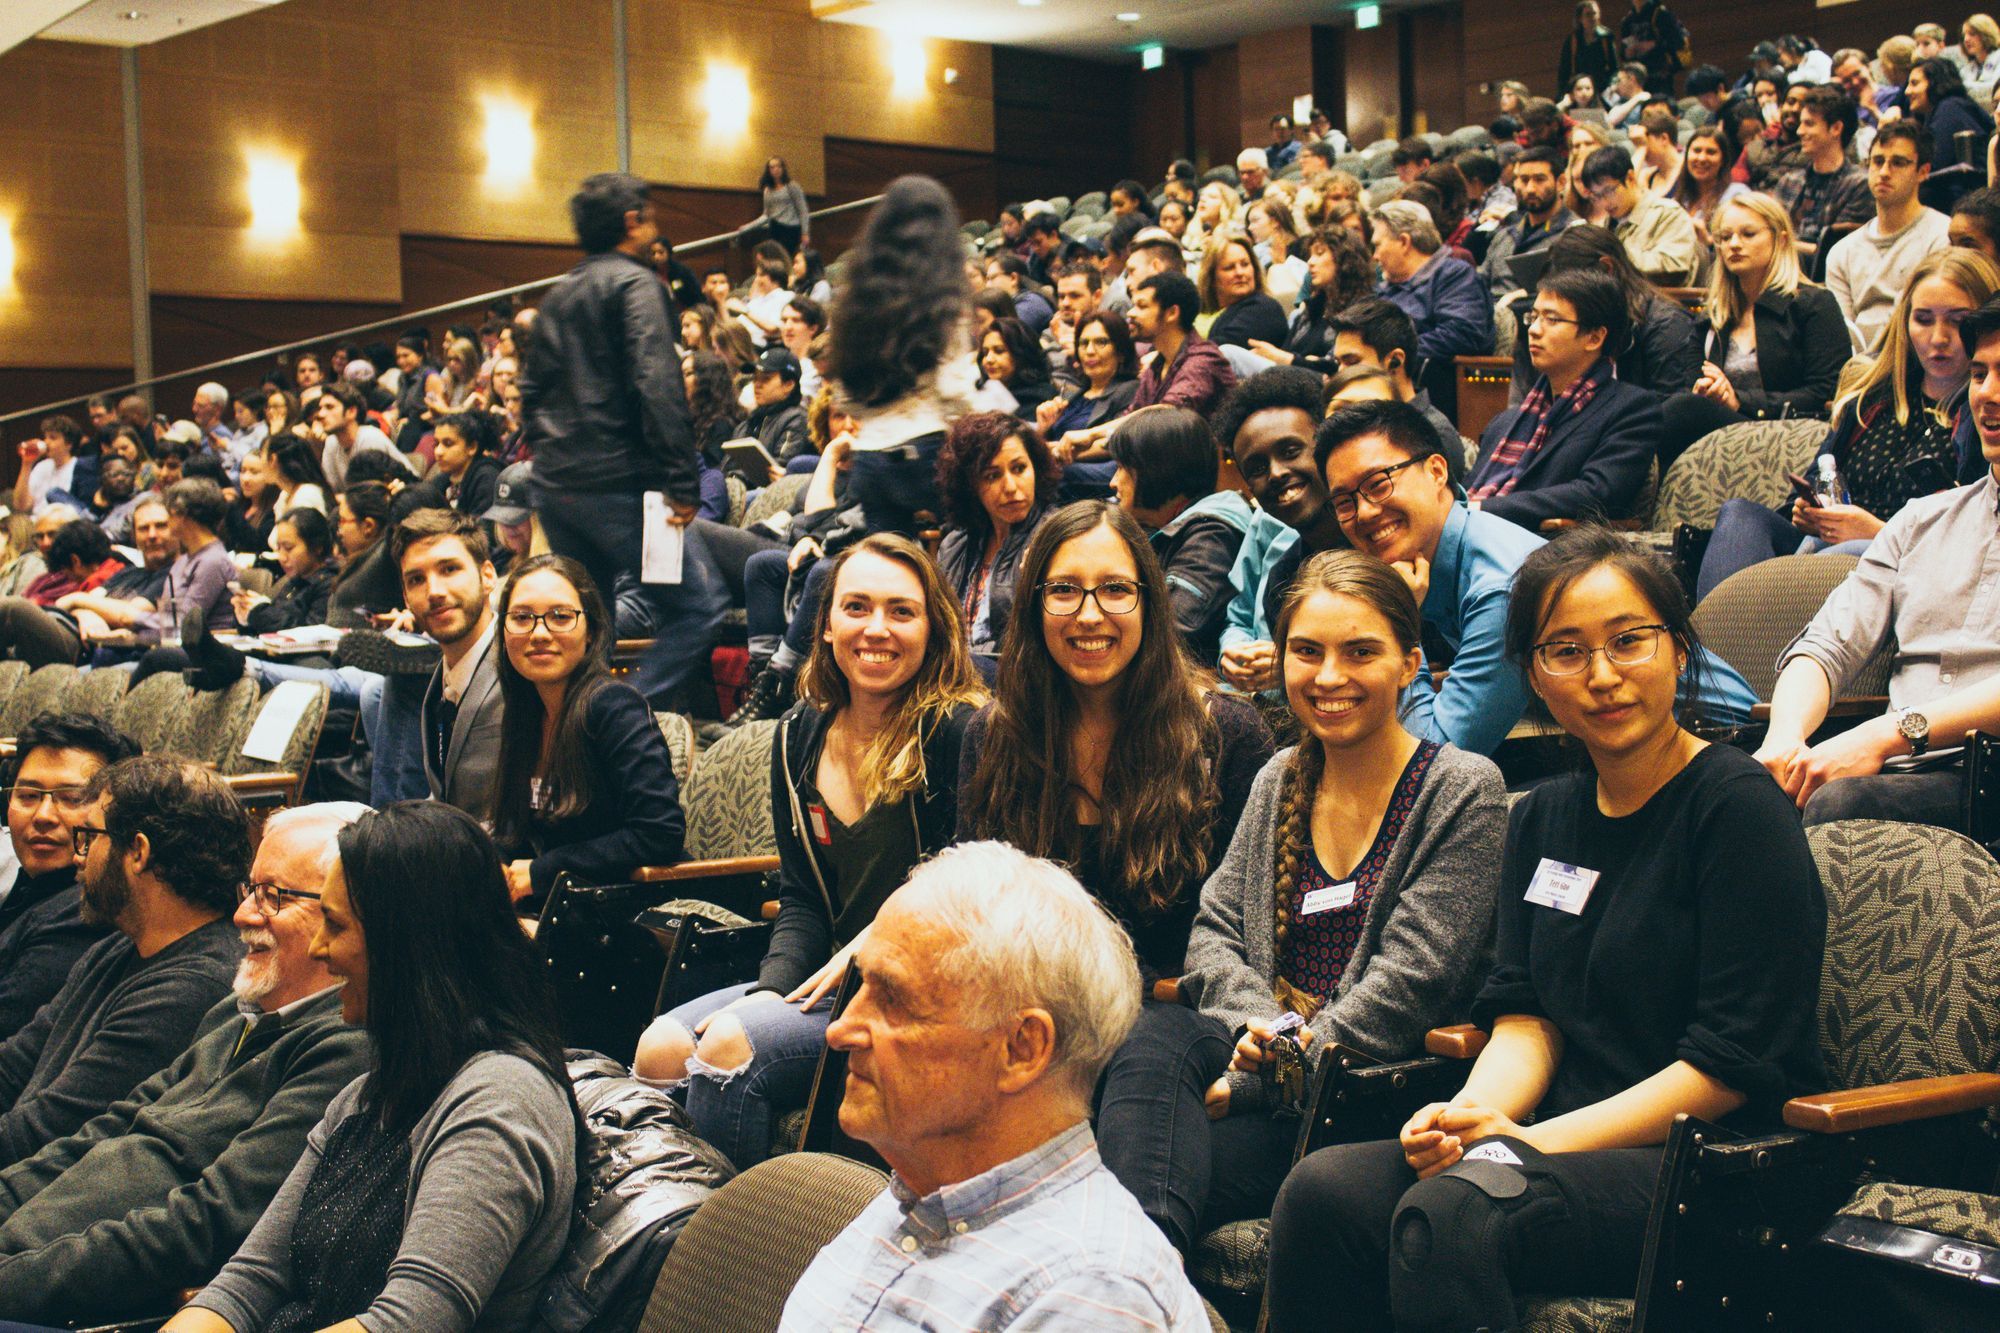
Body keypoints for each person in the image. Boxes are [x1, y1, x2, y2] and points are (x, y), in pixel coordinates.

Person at [1264, 526, 1824, 1333]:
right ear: (1531, 672)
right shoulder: (1546, 815)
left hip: (1718, 1156)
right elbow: (1529, 1016)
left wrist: (1526, 1144)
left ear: (1677, 647)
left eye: (1628, 642)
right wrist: (1474, 1113)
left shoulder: (1737, 809)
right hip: (1560, 1143)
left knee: (1456, 1213)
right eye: (1565, 652)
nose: (1601, 676)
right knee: (1323, 1193)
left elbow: (1728, 1067)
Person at [958, 502, 1275, 1251]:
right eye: (1064, 590)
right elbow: (982, 909)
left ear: (1148, 600)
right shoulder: (993, 735)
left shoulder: (1224, 735)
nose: (1089, 613)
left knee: (1137, 1054)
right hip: (1039, 1020)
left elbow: (1243, 932)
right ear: (1033, 603)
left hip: (1178, 1017)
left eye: (1115, 590)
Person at [635, 535, 984, 1166]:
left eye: (901, 611)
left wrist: (880, 936)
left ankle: (746, 1247)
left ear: (934, 629)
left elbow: (974, 888)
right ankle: (676, 1233)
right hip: (826, 980)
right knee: (659, 1045)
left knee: (727, 1049)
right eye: (857, 607)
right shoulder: (799, 733)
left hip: (918, 992)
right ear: (824, 626)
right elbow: (801, 898)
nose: (877, 628)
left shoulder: (959, 732)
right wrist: (771, 990)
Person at [1185, 548, 1506, 1227]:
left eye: (1360, 652)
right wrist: (1259, 1028)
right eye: (1307, 651)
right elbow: (1214, 930)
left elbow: (1411, 987)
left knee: (1150, 1164)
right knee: (1145, 1056)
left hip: (1368, 1097)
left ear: (1410, 664)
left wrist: (1266, 1070)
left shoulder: (1461, 788)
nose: (1330, 676)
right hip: (1266, 1066)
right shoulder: (1279, 777)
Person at [168, 802, 577, 1333]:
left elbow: (408, 1322)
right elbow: (251, 1280)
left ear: (405, 943)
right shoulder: (371, 1090)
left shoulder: (501, 1100)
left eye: (334, 925)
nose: (319, 948)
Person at [775, 842, 1208, 1332]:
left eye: (893, 999)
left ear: (1021, 1049)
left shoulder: (1087, 1295)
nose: (840, 1030)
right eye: (862, 988)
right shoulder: (918, 1196)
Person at [0, 804, 373, 1326]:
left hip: (80, 1301)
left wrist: (13, 1279)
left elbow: (206, 1222)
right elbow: (100, 1131)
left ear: (346, 918)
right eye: (251, 890)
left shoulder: (346, 1049)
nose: (244, 915)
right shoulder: (234, 1011)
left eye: (275, 898)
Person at [1319, 400, 1756, 754]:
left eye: (1377, 484)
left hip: (1720, 745)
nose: (1365, 512)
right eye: (1344, 502)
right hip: (1611, 748)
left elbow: (1436, 757)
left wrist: (1400, 627)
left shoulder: (1500, 587)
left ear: (1436, 471)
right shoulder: (1444, 555)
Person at [1750, 295, 2000, 829]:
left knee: (1840, 807)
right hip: (1902, 769)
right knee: (1723, 787)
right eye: (1979, 374)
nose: (1989, 395)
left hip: (1984, 772)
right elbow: (1828, 645)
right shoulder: (1922, 521)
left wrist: (1887, 733)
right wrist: (1784, 739)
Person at [523, 172, 722, 709]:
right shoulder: (637, 286)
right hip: (622, 485)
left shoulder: (556, 297)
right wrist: (680, 481)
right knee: (699, 609)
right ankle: (621, 716)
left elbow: (530, 393)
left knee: (589, 624)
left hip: (558, 487)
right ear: (633, 222)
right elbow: (657, 383)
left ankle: (579, 730)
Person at [1698, 248, 1997, 600]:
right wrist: (1807, 510)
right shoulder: (1871, 399)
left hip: (1902, 562)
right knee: (1740, 517)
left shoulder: (1986, 415)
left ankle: (1753, 632)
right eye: (1924, 319)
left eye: (1958, 320)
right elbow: (1814, 480)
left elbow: (1975, 535)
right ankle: (1713, 649)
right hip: (1819, 548)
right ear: (1905, 322)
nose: (1938, 338)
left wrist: (1879, 532)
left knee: (1848, 555)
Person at [0, 757, 246, 1169]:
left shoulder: (190, 990)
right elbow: (13, 1066)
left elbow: (48, 1134)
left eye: (89, 838)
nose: (79, 857)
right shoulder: (115, 950)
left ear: (138, 851)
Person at [490, 555, 684, 906]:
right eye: (521, 618)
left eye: (560, 617)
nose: (539, 633)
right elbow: (514, 833)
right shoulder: (523, 713)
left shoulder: (613, 706)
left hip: (626, 910)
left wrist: (542, 872)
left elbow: (659, 833)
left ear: (591, 631)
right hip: (561, 904)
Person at [829, 176, 976, 541]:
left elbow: (845, 398)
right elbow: (954, 391)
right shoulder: (944, 298)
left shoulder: (854, 300)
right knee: (973, 551)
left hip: (870, 459)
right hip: (927, 451)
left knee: (892, 575)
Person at [1659, 193, 1849, 464]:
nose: (1734, 244)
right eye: (1725, 238)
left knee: (1682, 411)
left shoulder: (1814, 304)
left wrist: (1740, 400)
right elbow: (1689, 386)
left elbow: (1827, 390)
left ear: (1781, 239)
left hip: (1787, 434)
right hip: (1718, 432)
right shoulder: (1714, 313)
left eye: (1748, 234)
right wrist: (1708, 389)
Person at [1470, 268, 1659, 530]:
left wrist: (1486, 509)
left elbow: (1596, 492)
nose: (1534, 330)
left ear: (1594, 338)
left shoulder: (1632, 410)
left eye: (1552, 319)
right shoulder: (1506, 423)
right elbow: (1467, 491)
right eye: (1533, 317)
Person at [0, 714, 140, 1039]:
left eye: (72, 799)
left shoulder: (85, 915)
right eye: (28, 796)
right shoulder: (26, 887)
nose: (44, 816)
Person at [1215, 370, 1348, 692]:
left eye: (1290, 452)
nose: (1275, 474)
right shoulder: (1279, 554)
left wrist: (1292, 669)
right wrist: (1233, 656)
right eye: (1258, 468)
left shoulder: (1383, 539)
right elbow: (1240, 615)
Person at [1107, 407, 1255, 666]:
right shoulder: (1171, 525)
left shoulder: (1212, 534)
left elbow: (1174, 629)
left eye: (1121, 468)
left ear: (1155, 471)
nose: (1113, 481)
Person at [1508, 223, 1703, 405]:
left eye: (1573, 288)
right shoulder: (1575, 326)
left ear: (1607, 268)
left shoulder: (1667, 324)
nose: (1536, 329)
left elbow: (1672, 416)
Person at [933, 415, 1060, 665]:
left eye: (1019, 468)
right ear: (969, 485)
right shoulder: (954, 545)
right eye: (992, 475)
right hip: (953, 677)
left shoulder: (1055, 537)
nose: (1011, 487)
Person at [1827, 122, 1951, 356]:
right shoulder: (1841, 251)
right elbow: (1842, 334)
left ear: (1923, 172)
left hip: (1916, 360)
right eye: (1877, 161)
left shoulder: (1942, 235)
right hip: (1857, 370)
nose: (1884, 172)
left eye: (1898, 163)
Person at [1325, 299, 1465, 461]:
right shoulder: (1355, 421)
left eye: (1352, 362)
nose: (1340, 373)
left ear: (1395, 361)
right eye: (1338, 363)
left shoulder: (1434, 435)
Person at [1370, 200, 1496, 371]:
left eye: (1378, 245)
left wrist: (1385, 356)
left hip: (1429, 387)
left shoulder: (1455, 276)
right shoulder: (1387, 288)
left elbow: (1462, 335)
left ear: (1403, 242)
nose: (1375, 256)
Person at [1771, 87, 1874, 273]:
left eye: (1809, 124)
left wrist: (1781, 245)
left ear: (1836, 128)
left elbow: (1835, 253)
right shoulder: (1789, 182)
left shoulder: (1860, 184)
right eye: (1801, 124)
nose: (1800, 131)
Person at [1253, 224, 1377, 373]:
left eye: (1319, 253)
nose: (1310, 262)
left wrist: (1287, 358)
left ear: (1343, 259)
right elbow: (1287, 351)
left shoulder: (1362, 310)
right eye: (1310, 255)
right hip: (1291, 379)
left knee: (1230, 354)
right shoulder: (1313, 307)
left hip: (1323, 386)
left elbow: (1339, 367)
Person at [1578, 145, 1699, 284]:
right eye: (1597, 196)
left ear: (1630, 178)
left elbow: (1674, 266)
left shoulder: (1667, 214)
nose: (1605, 203)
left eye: (1609, 191)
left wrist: (1615, 256)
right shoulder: (1608, 223)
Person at [1128, 271, 1239, 419]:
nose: (1130, 313)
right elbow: (1132, 416)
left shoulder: (1204, 361)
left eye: (1142, 306)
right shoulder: (1158, 365)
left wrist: (1091, 434)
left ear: (1172, 313)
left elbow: (1166, 417)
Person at [1477, 147, 1579, 305]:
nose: (1530, 189)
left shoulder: (1576, 235)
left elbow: (1573, 294)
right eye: (1524, 180)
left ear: (1561, 182)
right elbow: (1479, 285)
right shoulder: (1504, 236)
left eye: (1539, 179)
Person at [1037, 311, 1139, 448]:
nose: (1089, 351)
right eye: (1084, 343)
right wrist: (1044, 429)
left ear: (1121, 352)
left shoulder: (1130, 390)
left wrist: (1057, 451)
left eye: (1101, 342)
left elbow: (1116, 445)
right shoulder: (1073, 395)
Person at [1907, 56, 1995, 210]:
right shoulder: (1943, 109)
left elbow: (1935, 163)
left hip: (1967, 201)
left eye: (1914, 83)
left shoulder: (1951, 108)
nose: (1907, 91)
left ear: (1935, 83)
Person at [1198, 233, 1289, 354]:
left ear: (1254, 269)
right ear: (1212, 278)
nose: (1240, 272)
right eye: (1229, 267)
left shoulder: (1264, 308)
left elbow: (1219, 350)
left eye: (1245, 264)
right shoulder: (1201, 310)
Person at [1671, 124, 1751, 251]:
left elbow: (1745, 244)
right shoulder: (1680, 198)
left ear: (1723, 160)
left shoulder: (1736, 195)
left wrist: (1709, 243)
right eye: (1696, 151)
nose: (1702, 158)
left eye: (1711, 152)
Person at [976, 316, 1057, 421]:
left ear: (1020, 355)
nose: (988, 359)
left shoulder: (1040, 400)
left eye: (999, 351)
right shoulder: (985, 392)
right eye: (985, 352)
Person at [1619, 0, 1687, 93]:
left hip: (1660, 75)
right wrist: (1627, 53)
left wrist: (1654, 45)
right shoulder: (1627, 21)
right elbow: (1623, 52)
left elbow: (1679, 42)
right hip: (1638, 78)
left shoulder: (1662, 15)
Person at [1559, 2, 1620, 104]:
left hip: (1602, 89)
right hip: (1581, 90)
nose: (1592, 18)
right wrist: (1563, 93)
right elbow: (1564, 71)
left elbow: (1615, 67)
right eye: (1588, 14)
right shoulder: (1572, 40)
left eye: (1594, 13)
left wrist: (1613, 84)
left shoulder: (1606, 37)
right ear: (1580, 18)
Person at [758, 154, 809, 256]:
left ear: (783, 168)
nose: (776, 170)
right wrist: (747, 226)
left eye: (778, 166)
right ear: (768, 170)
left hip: (791, 228)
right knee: (775, 257)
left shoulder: (792, 186)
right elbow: (766, 214)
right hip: (775, 227)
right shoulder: (767, 190)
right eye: (772, 167)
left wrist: (805, 232)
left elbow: (803, 210)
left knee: (787, 257)